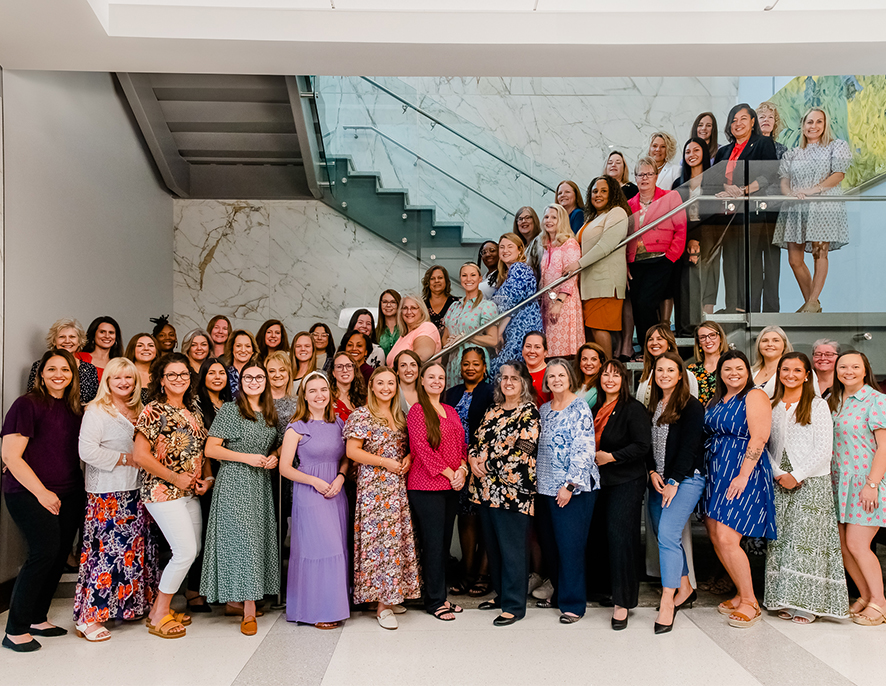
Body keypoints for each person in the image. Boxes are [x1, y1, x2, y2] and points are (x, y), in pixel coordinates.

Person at [1, 350, 84, 652]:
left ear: (73, 375)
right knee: (43, 552)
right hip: (29, 493)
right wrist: (42, 492)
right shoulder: (27, 404)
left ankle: (38, 618)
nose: (58, 374)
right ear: (41, 374)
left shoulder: (76, 409)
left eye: (65, 369)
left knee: (58, 555)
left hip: (69, 492)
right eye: (52, 369)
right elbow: (10, 456)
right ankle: (15, 630)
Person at [73, 357, 157, 642]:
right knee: (106, 555)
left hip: (136, 492)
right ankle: (88, 616)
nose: (124, 383)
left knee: (132, 554)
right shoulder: (96, 411)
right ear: (106, 381)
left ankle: (127, 607)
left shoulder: (141, 409)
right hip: (107, 494)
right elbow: (87, 452)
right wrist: (126, 458)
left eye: (129, 378)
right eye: (117, 378)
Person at [764, 353, 848, 623]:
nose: (790, 375)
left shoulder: (817, 405)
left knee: (806, 542)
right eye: (785, 369)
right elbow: (764, 445)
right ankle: (783, 598)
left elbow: (824, 450)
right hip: (779, 480)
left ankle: (808, 604)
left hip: (811, 480)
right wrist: (779, 473)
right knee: (782, 542)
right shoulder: (772, 404)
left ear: (806, 375)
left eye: (796, 370)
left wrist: (797, 474)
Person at [133, 353, 210, 639]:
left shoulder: (194, 411)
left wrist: (207, 478)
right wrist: (175, 477)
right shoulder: (153, 410)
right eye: (172, 375)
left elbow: (200, 452)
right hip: (162, 490)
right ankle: (159, 613)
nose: (179, 379)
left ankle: (159, 606)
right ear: (162, 381)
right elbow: (140, 455)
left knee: (193, 550)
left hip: (190, 491)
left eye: (184, 374)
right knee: (185, 551)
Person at [201, 360, 279, 636]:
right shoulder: (231, 410)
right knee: (244, 542)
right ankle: (248, 610)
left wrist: (274, 457)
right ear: (241, 381)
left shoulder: (270, 412)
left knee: (255, 541)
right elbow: (211, 449)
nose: (254, 381)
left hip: (260, 484)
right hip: (235, 481)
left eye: (259, 377)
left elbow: (279, 444)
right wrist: (246, 458)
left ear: (266, 381)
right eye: (248, 377)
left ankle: (239, 599)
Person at [344, 367, 422, 630]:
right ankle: (381, 605)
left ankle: (390, 593)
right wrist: (384, 463)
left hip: (397, 487)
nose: (386, 387)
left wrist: (408, 459)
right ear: (372, 387)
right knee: (379, 543)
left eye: (391, 383)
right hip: (374, 489)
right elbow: (352, 451)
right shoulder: (362, 415)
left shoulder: (401, 415)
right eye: (381, 383)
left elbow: (412, 446)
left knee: (394, 542)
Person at [704, 350, 776, 628]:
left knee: (726, 536)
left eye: (739, 368)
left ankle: (750, 601)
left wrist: (744, 475)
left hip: (741, 471)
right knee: (714, 534)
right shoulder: (719, 399)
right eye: (727, 369)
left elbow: (759, 437)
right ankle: (739, 591)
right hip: (716, 472)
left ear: (747, 371)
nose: (733, 373)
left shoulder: (754, 395)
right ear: (720, 373)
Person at [469, 361, 540, 626]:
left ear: (524, 383)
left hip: (513, 492)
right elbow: (476, 441)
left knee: (512, 550)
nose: (508, 382)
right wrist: (473, 459)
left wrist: (487, 464)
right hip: (486, 491)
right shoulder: (492, 411)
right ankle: (501, 595)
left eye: (515, 378)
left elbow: (524, 449)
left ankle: (514, 605)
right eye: (504, 378)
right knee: (494, 547)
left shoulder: (529, 412)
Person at [280, 371, 350, 629]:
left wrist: (341, 477)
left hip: (336, 491)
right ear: (305, 396)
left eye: (323, 389)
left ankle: (334, 606)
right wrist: (315, 481)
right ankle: (316, 610)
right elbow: (285, 468)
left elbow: (346, 457)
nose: (319, 395)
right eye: (313, 391)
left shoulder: (340, 423)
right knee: (318, 549)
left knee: (336, 549)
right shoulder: (296, 427)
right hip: (310, 493)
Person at [644, 352, 706, 634]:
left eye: (671, 370)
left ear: (681, 375)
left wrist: (673, 481)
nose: (664, 374)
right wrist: (652, 473)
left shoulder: (691, 406)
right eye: (660, 370)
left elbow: (690, 447)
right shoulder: (654, 404)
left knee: (668, 535)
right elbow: (648, 445)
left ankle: (668, 601)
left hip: (685, 481)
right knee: (662, 534)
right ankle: (685, 587)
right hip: (658, 482)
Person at [535, 359, 598, 624]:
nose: (556, 379)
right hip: (544, 488)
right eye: (551, 376)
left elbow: (585, 449)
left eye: (561, 375)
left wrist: (570, 485)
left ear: (570, 378)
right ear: (546, 382)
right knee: (550, 546)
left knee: (570, 547)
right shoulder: (544, 410)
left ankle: (573, 604)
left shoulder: (579, 407)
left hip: (573, 490)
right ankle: (560, 593)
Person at [592, 359, 652, 630]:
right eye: (606, 375)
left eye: (616, 375)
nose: (610, 380)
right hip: (598, 482)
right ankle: (607, 590)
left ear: (624, 380)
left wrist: (612, 457)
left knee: (621, 537)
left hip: (626, 481)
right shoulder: (594, 408)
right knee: (602, 537)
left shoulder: (633, 409)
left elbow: (642, 446)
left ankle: (623, 602)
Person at [407, 362, 468, 621]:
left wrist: (463, 470)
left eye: (440, 377)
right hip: (426, 487)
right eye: (431, 377)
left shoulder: (450, 411)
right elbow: (423, 449)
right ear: (422, 381)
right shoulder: (417, 411)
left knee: (443, 545)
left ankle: (441, 596)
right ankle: (433, 601)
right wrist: (450, 473)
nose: (436, 381)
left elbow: (462, 445)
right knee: (432, 545)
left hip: (452, 487)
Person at [828, 351, 886, 626]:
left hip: (865, 482)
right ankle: (865, 596)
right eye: (843, 367)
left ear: (865, 371)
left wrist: (872, 484)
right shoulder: (834, 401)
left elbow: (884, 447)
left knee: (858, 544)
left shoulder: (876, 400)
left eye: (854, 366)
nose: (848, 371)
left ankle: (880, 602)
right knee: (843, 546)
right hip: (839, 482)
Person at [775, 107, 851, 313]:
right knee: (795, 259)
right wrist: (789, 193)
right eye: (810, 122)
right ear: (803, 125)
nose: (814, 126)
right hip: (797, 205)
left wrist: (812, 190)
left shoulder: (836, 146)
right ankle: (812, 303)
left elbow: (838, 175)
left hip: (823, 204)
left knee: (819, 252)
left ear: (825, 125)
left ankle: (811, 302)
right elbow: (784, 181)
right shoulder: (792, 154)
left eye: (819, 122)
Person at [712, 103, 779, 313]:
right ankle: (734, 307)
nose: (737, 124)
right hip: (728, 215)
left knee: (752, 263)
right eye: (733, 120)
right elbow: (714, 179)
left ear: (752, 122)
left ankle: (751, 309)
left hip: (756, 212)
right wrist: (727, 188)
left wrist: (744, 190)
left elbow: (768, 174)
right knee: (730, 261)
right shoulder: (724, 151)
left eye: (743, 119)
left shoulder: (763, 143)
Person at [445, 348, 495, 597]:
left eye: (476, 364)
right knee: (465, 518)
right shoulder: (451, 393)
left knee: (485, 519)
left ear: (484, 367)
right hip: (458, 466)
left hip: (483, 466)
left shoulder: (491, 392)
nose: (470, 368)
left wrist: (479, 459)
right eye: (466, 364)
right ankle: (467, 570)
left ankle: (484, 574)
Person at [565, 175, 630, 356]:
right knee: (593, 332)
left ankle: (608, 370)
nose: (598, 195)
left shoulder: (617, 212)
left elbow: (605, 246)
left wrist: (577, 264)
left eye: (603, 191)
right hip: (589, 285)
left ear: (613, 193)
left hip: (605, 283)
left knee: (599, 328)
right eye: (594, 191)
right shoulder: (593, 218)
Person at [627, 157, 687, 346]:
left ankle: (656, 346)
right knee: (637, 306)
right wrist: (626, 263)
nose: (644, 178)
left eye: (649, 174)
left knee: (646, 303)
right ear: (635, 178)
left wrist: (670, 258)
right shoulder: (629, 204)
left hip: (661, 259)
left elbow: (681, 229)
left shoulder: (670, 197)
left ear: (656, 176)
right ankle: (650, 348)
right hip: (636, 262)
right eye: (640, 174)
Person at [188, 356, 232, 612]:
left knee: (221, 535)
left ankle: (216, 588)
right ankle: (194, 590)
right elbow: (199, 444)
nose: (217, 377)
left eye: (221, 373)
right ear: (203, 376)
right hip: (206, 474)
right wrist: (207, 476)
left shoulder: (231, 403)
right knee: (202, 534)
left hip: (229, 472)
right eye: (211, 372)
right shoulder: (195, 404)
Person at [672, 138, 715, 334]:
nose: (691, 155)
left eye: (696, 150)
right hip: (682, 236)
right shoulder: (678, 183)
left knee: (704, 281)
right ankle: (685, 328)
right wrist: (688, 238)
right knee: (683, 283)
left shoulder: (713, 181)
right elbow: (674, 215)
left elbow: (715, 213)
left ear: (704, 154)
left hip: (707, 234)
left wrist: (696, 237)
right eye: (687, 151)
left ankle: (703, 327)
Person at [491, 233, 543, 376]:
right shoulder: (506, 274)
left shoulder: (519, 268)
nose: (505, 250)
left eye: (509, 246)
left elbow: (513, 302)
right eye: (501, 247)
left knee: (505, 369)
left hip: (522, 327)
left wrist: (499, 331)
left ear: (520, 250)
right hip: (512, 329)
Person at [441, 262, 498, 384]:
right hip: (454, 363)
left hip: (475, 365)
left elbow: (493, 340)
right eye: (464, 275)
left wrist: (465, 338)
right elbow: (445, 338)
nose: (468, 279)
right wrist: (452, 342)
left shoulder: (487, 306)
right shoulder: (453, 306)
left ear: (480, 278)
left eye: (472, 275)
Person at [756, 100, 787, 314]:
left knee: (773, 264)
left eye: (770, 117)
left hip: (774, 210)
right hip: (751, 211)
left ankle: (771, 311)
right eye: (762, 116)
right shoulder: (750, 148)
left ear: (775, 123)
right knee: (754, 264)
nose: (766, 120)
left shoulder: (783, 150)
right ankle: (751, 309)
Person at [539, 204, 583, 358]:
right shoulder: (547, 245)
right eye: (546, 217)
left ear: (562, 220)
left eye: (553, 217)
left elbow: (571, 276)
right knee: (550, 350)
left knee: (563, 350)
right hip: (548, 302)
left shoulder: (569, 243)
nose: (548, 221)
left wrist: (559, 302)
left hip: (564, 302)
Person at [27, 318, 99, 404]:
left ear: (79, 341)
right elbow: (31, 399)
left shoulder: (89, 369)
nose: (67, 341)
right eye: (62, 337)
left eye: (72, 337)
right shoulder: (39, 366)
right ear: (54, 341)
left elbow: (96, 402)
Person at [635, 324, 700, 406]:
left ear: (669, 344)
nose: (654, 343)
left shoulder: (686, 374)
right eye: (650, 339)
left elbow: (692, 407)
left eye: (659, 339)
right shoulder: (646, 374)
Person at [385, 294, 442, 366]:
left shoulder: (427, 327)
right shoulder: (404, 335)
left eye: (413, 308)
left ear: (422, 310)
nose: (409, 312)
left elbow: (420, 357)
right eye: (405, 308)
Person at [687, 321, 729, 405]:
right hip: (699, 417)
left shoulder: (730, 367)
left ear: (720, 338)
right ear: (699, 343)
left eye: (712, 335)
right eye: (703, 337)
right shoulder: (692, 370)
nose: (708, 340)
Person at [751, 325, 794, 397]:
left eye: (776, 340)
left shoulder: (797, 372)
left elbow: (815, 402)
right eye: (765, 341)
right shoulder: (750, 371)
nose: (770, 344)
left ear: (785, 345)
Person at [266, 350, 298, 443]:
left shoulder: (299, 403)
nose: (277, 375)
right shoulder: (258, 403)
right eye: (272, 371)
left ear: (288, 372)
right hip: (263, 456)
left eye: (282, 370)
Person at [81, 316, 124, 380]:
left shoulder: (119, 364)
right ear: (93, 335)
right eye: (102, 332)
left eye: (111, 332)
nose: (107, 336)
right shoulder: (80, 358)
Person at [423, 265, 460, 336]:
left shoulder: (457, 303)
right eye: (432, 278)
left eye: (440, 278)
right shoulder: (422, 305)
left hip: (453, 345)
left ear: (446, 281)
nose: (436, 281)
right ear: (427, 283)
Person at [330, 350, 367, 422]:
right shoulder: (327, 398)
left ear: (354, 370)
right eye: (339, 367)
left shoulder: (363, 398)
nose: (345, 370)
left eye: (349, 366)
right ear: (333, 373)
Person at [125, 333, 159, 404]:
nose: (146, 348)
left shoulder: (161, 375)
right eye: (140, 345)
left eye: (151, 345)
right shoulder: (123, 373)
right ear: (132, 350)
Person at [521, 331, 552, 407]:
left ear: (545, 352)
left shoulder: (551, 374)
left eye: (537, 347)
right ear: (522, 351)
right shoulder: (517, 373)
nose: (532, 351)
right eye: (528, 346)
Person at [224, 329, 258, 397]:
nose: (243, 350)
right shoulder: (223, 374)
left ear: (253, 351)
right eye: (238, 346)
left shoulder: (259, 374)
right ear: (232, 349)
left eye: (247, 346)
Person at [574, 342, 608, 408]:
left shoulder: (603, 388)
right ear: (579, 362)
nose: (588, 363)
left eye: (594, 359)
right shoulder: (571, 385)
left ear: (601, 363)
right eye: (584, 359)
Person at [513, 206, 543, 279]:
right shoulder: (519, 246)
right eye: (520, 219)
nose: (524, 221)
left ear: (534, 220)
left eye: (528, 218)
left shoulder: (540, 241)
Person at [395, 349, 422, 413]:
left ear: (418, 369)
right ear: (397, 371)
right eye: (403, 365)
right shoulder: (392, 393)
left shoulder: (426, 393)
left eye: (413, 365)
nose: (408, 370)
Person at [377, 290, 402, 356]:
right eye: (385, 302)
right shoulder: (375, 333)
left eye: (393, 302)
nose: (388, 305)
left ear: (399, 304)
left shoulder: (406, 330)